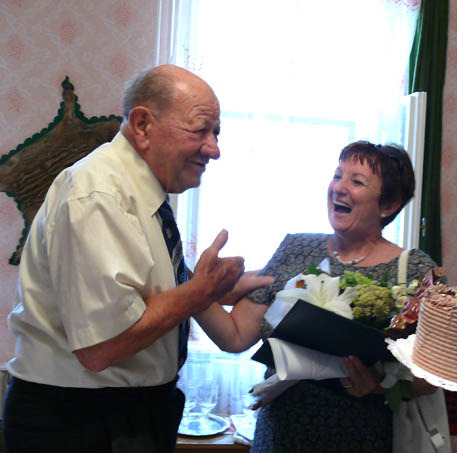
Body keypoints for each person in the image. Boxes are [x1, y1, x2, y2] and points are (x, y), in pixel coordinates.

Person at [3, 65, 270, 452]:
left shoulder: (137, 191)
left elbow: (141, 284)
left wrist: (215, 288)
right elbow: (102, 345)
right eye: (200, 130)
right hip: (79, 420)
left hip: (126, 413)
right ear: (143, 125)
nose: (214, 149)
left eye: (216, 133)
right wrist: (199, 292)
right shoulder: (98, 193)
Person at [193, 140, 444, 452]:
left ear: (388, 205)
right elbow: (234, 336)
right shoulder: (295, 249)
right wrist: (193, 288)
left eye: (356, 181)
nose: (339, 187)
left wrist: (379, 386)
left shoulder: (416, 271)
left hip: (364, 440)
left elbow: (435, 374)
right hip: (280, 438)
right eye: (337, 175)